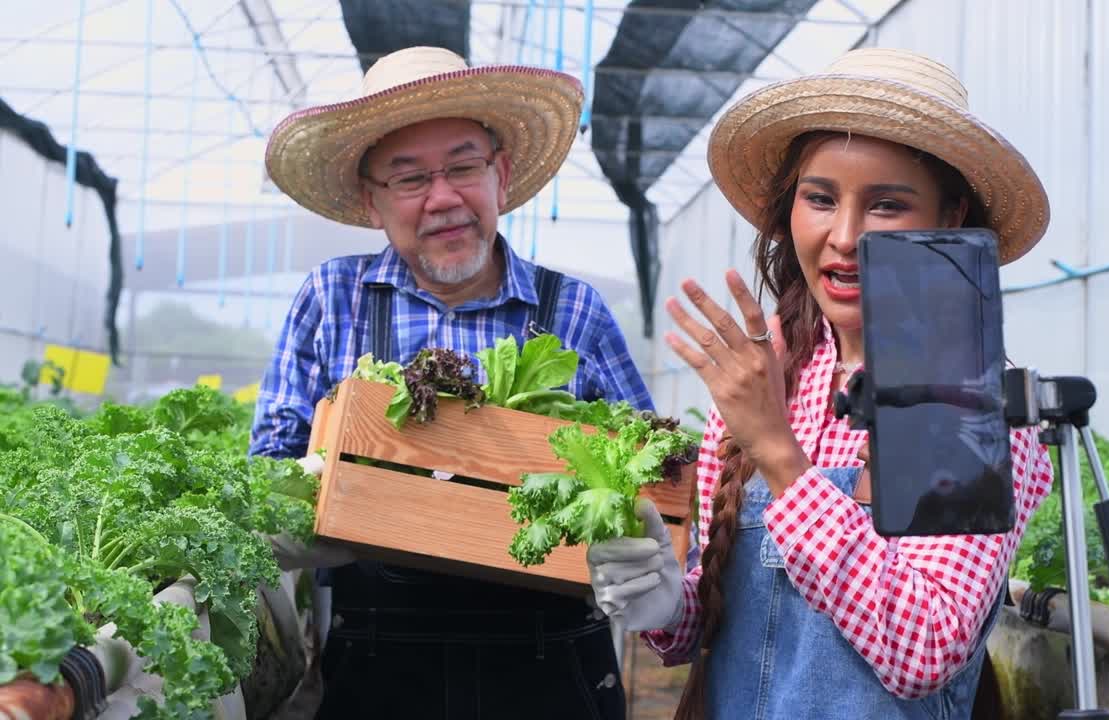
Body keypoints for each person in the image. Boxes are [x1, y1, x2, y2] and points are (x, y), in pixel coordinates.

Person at [584, 48, 1056, 719]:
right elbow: (719, 626)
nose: (844, 235)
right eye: (820, 198)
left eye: (888, 205)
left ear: (949, 218)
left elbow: (924, 648)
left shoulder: (964, 398)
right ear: (788, 211)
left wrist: (779, 454)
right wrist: (663, 599)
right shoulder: (776, 370)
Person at [250, 46, 652, 719]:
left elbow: (646, 476)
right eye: (408, 180)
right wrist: (327, 503)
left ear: (501, 174)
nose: (442, 199)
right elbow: (267, 470)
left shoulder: (573, 309)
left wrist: (632, 543)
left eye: (463, 167)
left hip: (552, 666)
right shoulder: (333, 298)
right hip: (380, 667)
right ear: (371, 202)